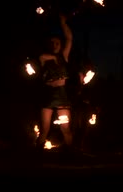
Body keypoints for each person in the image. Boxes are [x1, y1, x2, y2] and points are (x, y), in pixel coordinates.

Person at [35, 12, 75, 152]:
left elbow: (69, 38)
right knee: (44, 128)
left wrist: (63, 23)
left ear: (60, 44)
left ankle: (71, 152)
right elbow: (42, 56)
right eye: (52, 43)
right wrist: (53, 57)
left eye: (57, 42)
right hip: (47, 97)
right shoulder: (44, 58)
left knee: (65, 127)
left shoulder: (63, 56)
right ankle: (37, 153)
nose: (54, 45)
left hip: (62, 97)